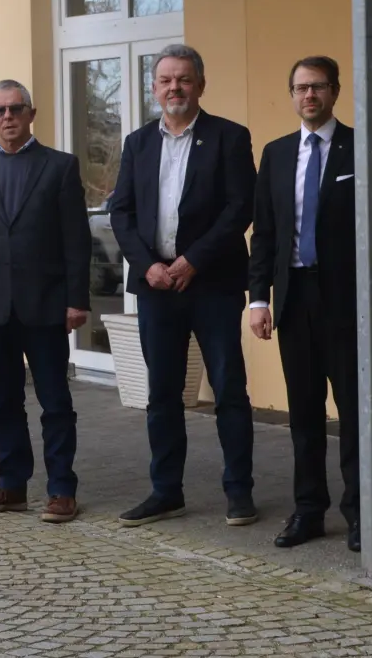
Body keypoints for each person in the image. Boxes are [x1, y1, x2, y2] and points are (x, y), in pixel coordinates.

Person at [107, 44, 258, 528]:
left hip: (211, 283)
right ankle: (166, 491)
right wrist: (146, 263)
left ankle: (239, 492)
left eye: (184, 79)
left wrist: (194, 259)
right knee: (163, 394)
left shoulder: (229, 138)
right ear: (154, 88)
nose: (175, 88)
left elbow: (240, 209)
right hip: (156, 287)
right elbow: (122, 212)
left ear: (201, 84)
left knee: (229, 389)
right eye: (166, 80)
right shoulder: (138, 143)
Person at [0, 79, 89, 523]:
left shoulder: (60, 167)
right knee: (4, 400)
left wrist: (77, 299)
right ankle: (12, 485)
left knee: (54, 400)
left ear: (31, 114)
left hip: (45, 303)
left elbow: (76, 240)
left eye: (15, 109)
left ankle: (61, 489)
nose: (7, 117)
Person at [248, 56, 361, 553]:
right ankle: (309, 511)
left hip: (345, 301)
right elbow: (265, 234)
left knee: (356, 413)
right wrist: (257, 300)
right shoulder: (276, 154)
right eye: (300, 88)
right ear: (291, 95)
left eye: (317, 87)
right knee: (304, 415)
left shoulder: (360, 149)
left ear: (334, 91)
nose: (308, 96)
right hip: (293, 298)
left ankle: (363, 513)